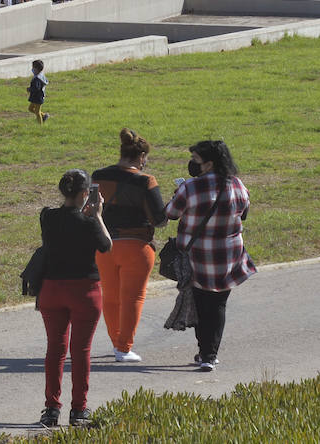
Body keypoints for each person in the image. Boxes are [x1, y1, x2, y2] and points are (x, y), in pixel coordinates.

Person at [164, 140, 256, 372]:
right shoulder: (237, 184)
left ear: (208, 163)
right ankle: (209, 354)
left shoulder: (191, 188)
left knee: (201, 303)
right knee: (218, 305)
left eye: (196, 160)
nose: (192, 164)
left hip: (197, 257)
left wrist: (179, 192)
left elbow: (171, 213)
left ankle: (205, 352)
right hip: (228, 256)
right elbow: (244, 211)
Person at [36, 169, 112, 429]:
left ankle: (51, 408)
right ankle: (78, 409)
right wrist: (98, 216)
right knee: (81, 351)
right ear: (84, 193)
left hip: (51, 290)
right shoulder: (90, 222)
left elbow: (61, 220)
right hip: (84, 290)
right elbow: (106, 245)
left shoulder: (47, 216)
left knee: (54, 350)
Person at [91, 129, 168, 363]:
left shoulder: (98, 176)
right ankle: (124, 348)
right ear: (141, 157)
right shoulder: (147, 181)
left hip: (105, 245)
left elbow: (92, 208)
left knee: (111, 297)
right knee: (133, 297)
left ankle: (117, 343)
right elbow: (160, 220)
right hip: (137, 246)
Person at [28, 59, 50, 123]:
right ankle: (44, 115)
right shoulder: (40, 75)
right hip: (35, 97)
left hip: (38, 97)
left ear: (36, 69)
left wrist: (29, 89)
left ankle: (40, 125)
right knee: (30, 109)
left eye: (33, 68)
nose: (32, 69)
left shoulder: (37, 79)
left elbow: (36, 89)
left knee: (37, 112)